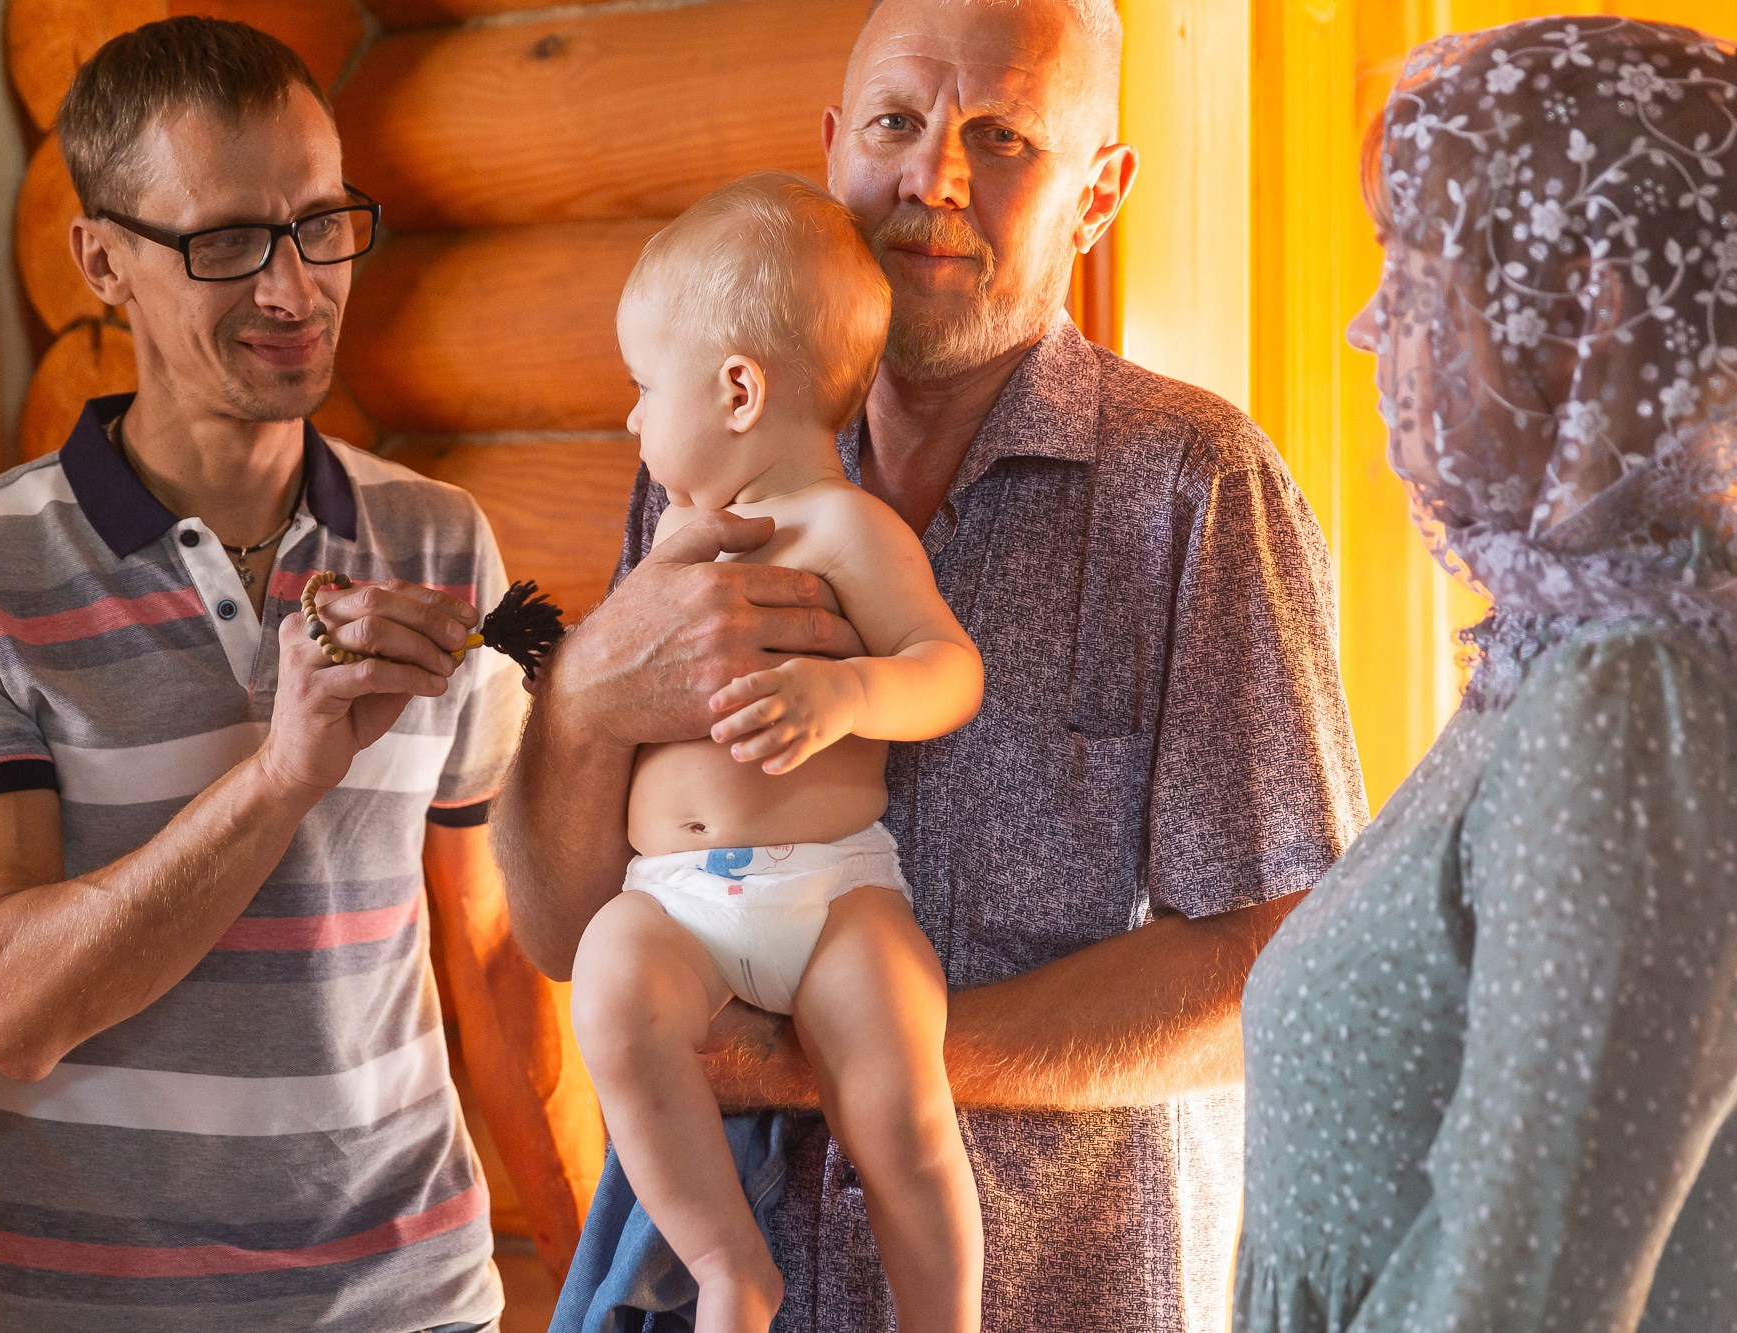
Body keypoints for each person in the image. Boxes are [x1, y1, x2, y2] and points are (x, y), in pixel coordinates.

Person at [499, 0, 1369, 1327]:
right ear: (836, 145)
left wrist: (851, 1050)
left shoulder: (1194, 487)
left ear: (1100, 197)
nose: (932, 180)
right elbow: (567, 928)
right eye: (898, 123)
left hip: (1050, 1295)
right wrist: (583, 694)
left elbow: (1289, 961)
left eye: (1005, 136)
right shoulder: (696, 469)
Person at [0, 19, 527, 1331]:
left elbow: (496, 950)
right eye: (224, 244)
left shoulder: (444, 540)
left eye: (321, 223)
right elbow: (7, 1004)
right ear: (101, 259)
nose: (294, 288)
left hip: (424, 1301)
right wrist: (284, 773)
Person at [1236, 16, 1737, 1331]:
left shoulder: (1636, 693)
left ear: (1586, 309)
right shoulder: (1586, 645)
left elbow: (1521, 1295)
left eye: (1412, 281)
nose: (1367, 332)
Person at [567, 173, 984, 1333]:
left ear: (738, 389)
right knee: (609, 985)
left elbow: (947, 669)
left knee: (899, 1094)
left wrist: (848, 691)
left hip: (831, 886)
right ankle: (725, 1266)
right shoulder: (669, 540)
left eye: (646, 390)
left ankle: (940, 1319)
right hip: (673, 903)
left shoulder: (846, 529)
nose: (634, 420)